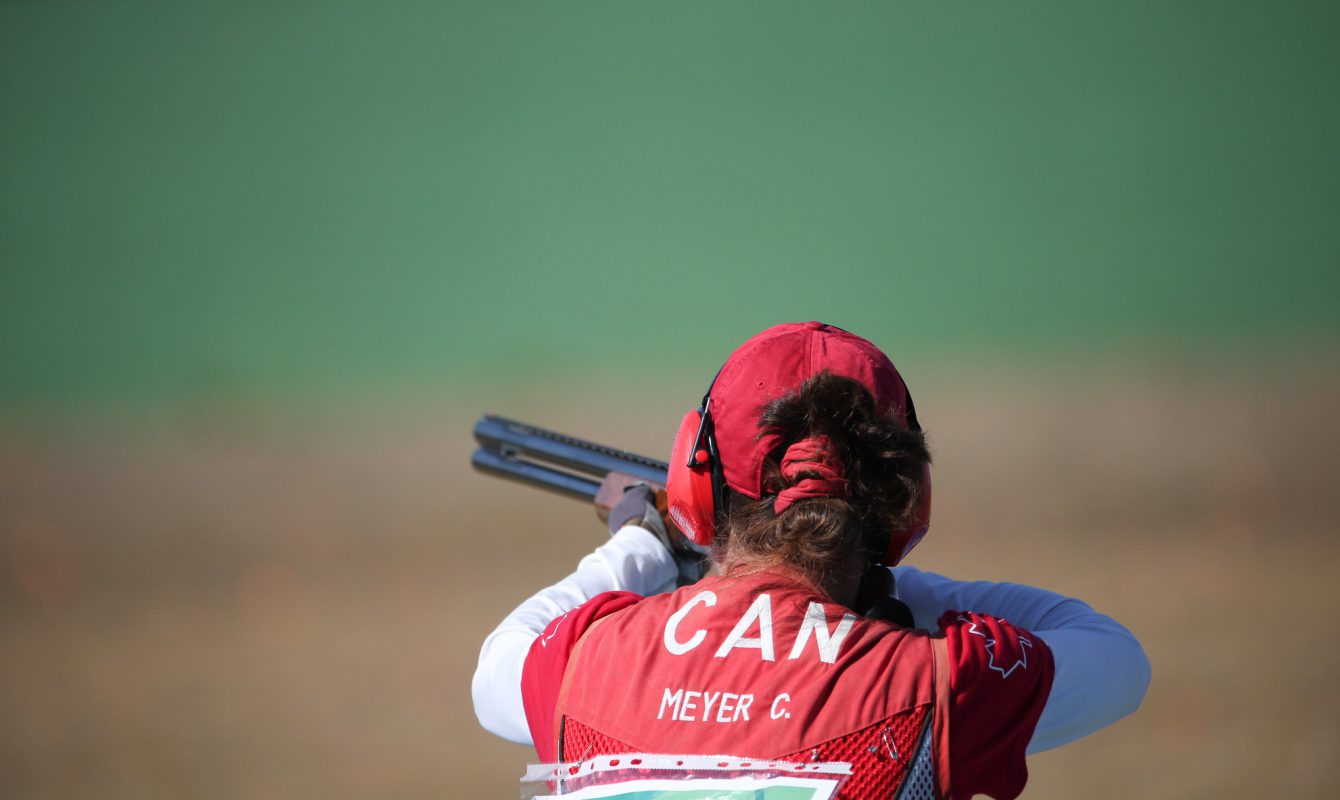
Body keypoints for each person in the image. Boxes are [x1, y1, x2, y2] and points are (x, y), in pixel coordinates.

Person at [473, 321, 1150, 799]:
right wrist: (888, 599)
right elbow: (1116, 658)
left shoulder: (582, 662)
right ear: (904, 500)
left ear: (696, 484)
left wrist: (644, 545)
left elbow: (500, 663)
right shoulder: (940, 679)